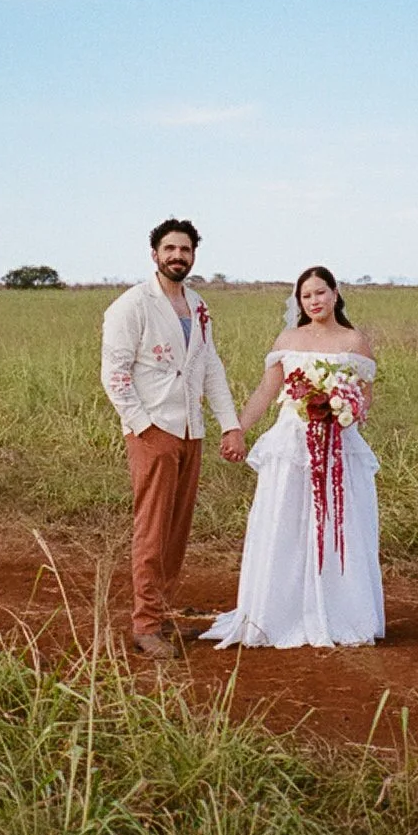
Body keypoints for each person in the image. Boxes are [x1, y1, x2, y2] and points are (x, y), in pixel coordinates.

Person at [203, 265, 385, 649]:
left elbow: (365, 396)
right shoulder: (289, 338)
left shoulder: (354, 341)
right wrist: (237, 429)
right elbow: (266, 392)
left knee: (338, 524)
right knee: (285, 521)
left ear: (335, 294)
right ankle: (278, 610)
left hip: (336, 445)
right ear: (298, 302)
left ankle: (339, 611)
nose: (314, 301)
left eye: (320, 293)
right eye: (306, 296)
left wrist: (345, 410)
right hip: (292, 444)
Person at [99, 218, 245, 658]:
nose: (177, 256)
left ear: (194, 255)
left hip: (190, 430)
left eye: (185, 249)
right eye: (169, 249)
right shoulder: (131, 306)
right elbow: (114, 373)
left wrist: (230, 423)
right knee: (153, 528)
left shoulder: (197, 305)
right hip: (153, 430)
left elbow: (210, 367)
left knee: (177, 530)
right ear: (154, 254)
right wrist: (142, 426)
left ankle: (161, 614)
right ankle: (145, 626)